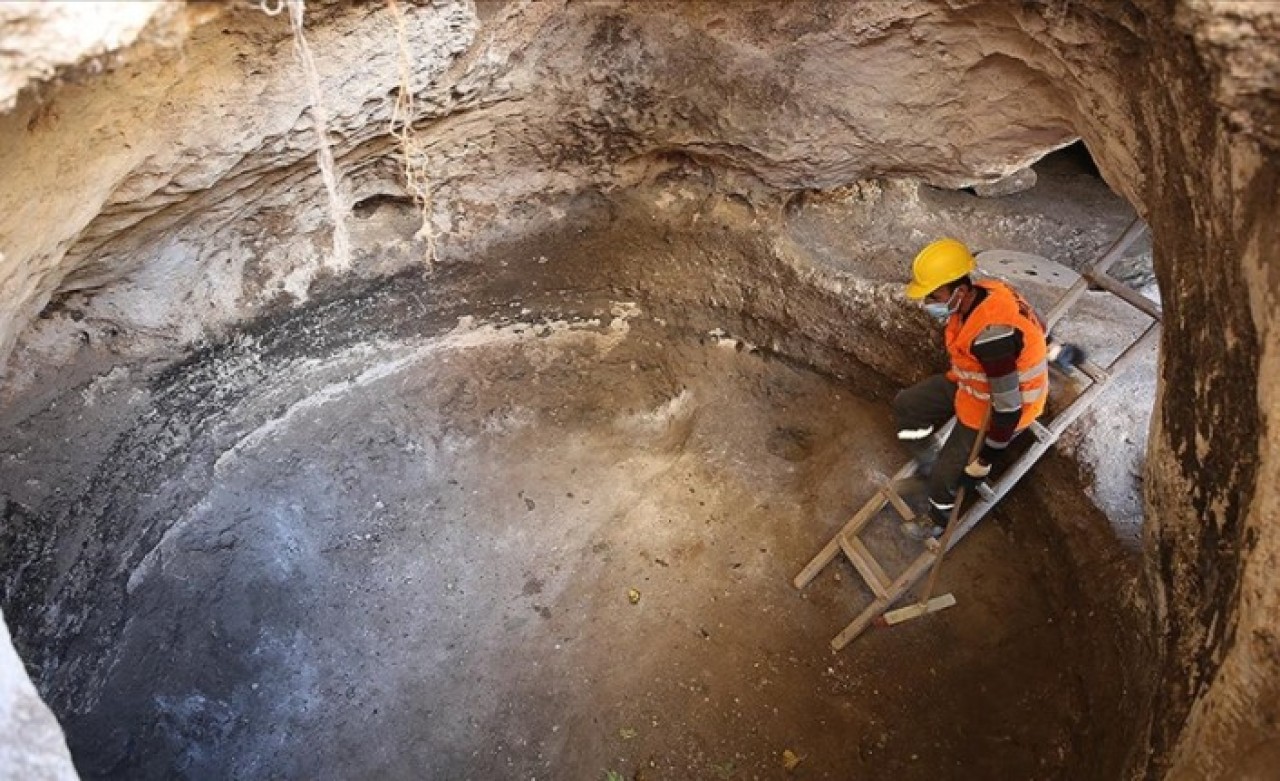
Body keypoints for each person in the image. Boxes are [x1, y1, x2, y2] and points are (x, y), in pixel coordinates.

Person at [895, 238, 1071, 540]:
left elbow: (1008, 409)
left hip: (996, 410)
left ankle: (937, 518)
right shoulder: (989, 289)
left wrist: (983, 461)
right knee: (907, 405)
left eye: (934, 296)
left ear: (960, 291)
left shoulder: (993, 338)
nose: (929, 304)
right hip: (972, 386)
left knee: (943, 478)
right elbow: (1037, 323)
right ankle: (929, 458)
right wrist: (1048, 346)